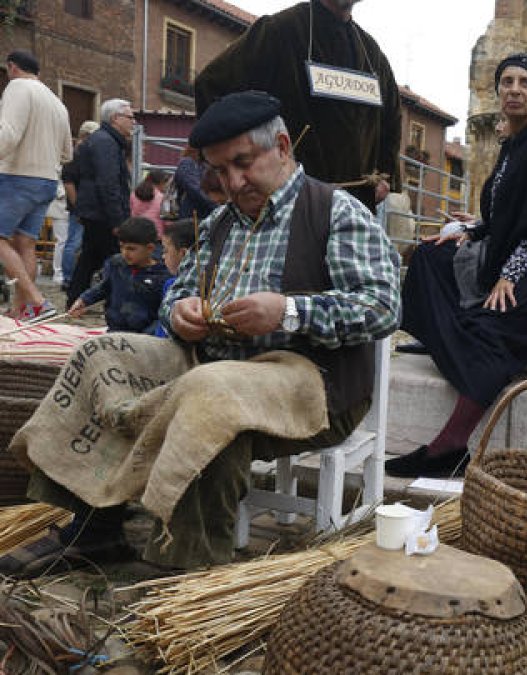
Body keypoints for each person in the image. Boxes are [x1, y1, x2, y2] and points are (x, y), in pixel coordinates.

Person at [0, 91, 402, 574]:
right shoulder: (218, 224)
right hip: (213, 363)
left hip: (311, 382)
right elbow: (177, 292)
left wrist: (289, 311)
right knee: (103, 354)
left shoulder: (335, 211)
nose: (233, 182)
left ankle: (184, 558)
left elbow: (382, 308)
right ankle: (95, 526)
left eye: (243, 163)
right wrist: (180, 311)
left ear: (281, 146)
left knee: (214, 395)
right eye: (220, 171)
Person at [385, 53, 527, 478]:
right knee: (430, 257)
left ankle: (449, 447)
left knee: (490, 327)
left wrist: (509, 275)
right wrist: (475, 230)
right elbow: (511, 216)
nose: (514, 90)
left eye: (525, 83)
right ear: (498, 92)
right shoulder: (516, 143)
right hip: (518, 254)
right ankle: (444, 340)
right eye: (507, 82)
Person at [194, 0, 402, 209]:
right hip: (290, 207)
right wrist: (232, 164)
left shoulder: (372, 54)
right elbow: (211, 86)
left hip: (356, 206)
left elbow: (392, 118)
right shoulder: (278, 31)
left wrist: (385, 175)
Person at [0, 50, 73, 320]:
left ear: (12, 68)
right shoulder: (56, 101)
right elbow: (68, 153)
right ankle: (24, 310)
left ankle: (38, 302)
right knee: (25, 243)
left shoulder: (17, 87)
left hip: (17, 175)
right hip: (47, 179)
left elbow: (7, 133)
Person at [68, 99, 136, 308]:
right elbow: (108, 183)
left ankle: (75, 299)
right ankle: (118, 303)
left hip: (96, 210)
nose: (134, 122)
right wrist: (118, 219)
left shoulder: (105, 140)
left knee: (90, 257)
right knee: (118, 257)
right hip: (103, 212)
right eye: (130, 117)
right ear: (115, 118)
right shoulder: (106, 142)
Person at [67, 217, 171, 334]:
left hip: (145, 336)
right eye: (121, 247)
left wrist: (150, 334)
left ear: (150, 248)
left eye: (131, 249)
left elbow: (164, 312)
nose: (125, 253)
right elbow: (104, 287)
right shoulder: (116, 264)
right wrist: (84, 300)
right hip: (115, 329)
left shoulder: (163, 275)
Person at [60, 120, 100, 291]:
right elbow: (68, 183)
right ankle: (68, 278)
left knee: (78, 242)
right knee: (74, 242)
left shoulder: (84, 154)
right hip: (80, 207)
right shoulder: (76, 155)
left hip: (84, 206)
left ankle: (72, 277)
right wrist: (78, 206)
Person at [153, 218, 197, 337]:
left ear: (183, 254)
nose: (163, 256)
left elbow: (163, 334)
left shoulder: (176, 287)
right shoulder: (170, 283)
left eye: (166, 250)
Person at [172, 145, 218, 223]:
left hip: (202, 214)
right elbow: (194, 189)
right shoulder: (188, 163)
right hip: (192, 215)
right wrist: (216, 205)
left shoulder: (206, 164)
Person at [129, 169, 171, 239]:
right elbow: (169, 224)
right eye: (167, 184)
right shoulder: (165, 199)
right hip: (156, 238)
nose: (168, 187)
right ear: (162, 182)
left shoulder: (133, 194)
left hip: (136, 236)